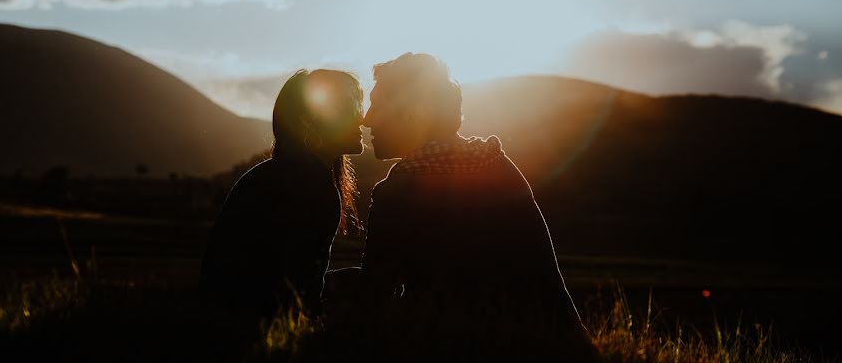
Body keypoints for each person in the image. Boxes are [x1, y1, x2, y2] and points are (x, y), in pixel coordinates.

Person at [356, 52, 596, 359]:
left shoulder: (396, 193)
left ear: (410, 114)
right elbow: (546, 279)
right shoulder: (499, 166)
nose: (367, 118)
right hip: (540, 343)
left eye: (378, 104)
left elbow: (373, 298)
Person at [198, 69, 364, 318]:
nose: (361, 119)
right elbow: (294, 291)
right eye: (350, 108)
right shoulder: (309, 187)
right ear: (310, 121)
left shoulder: (275, 176)